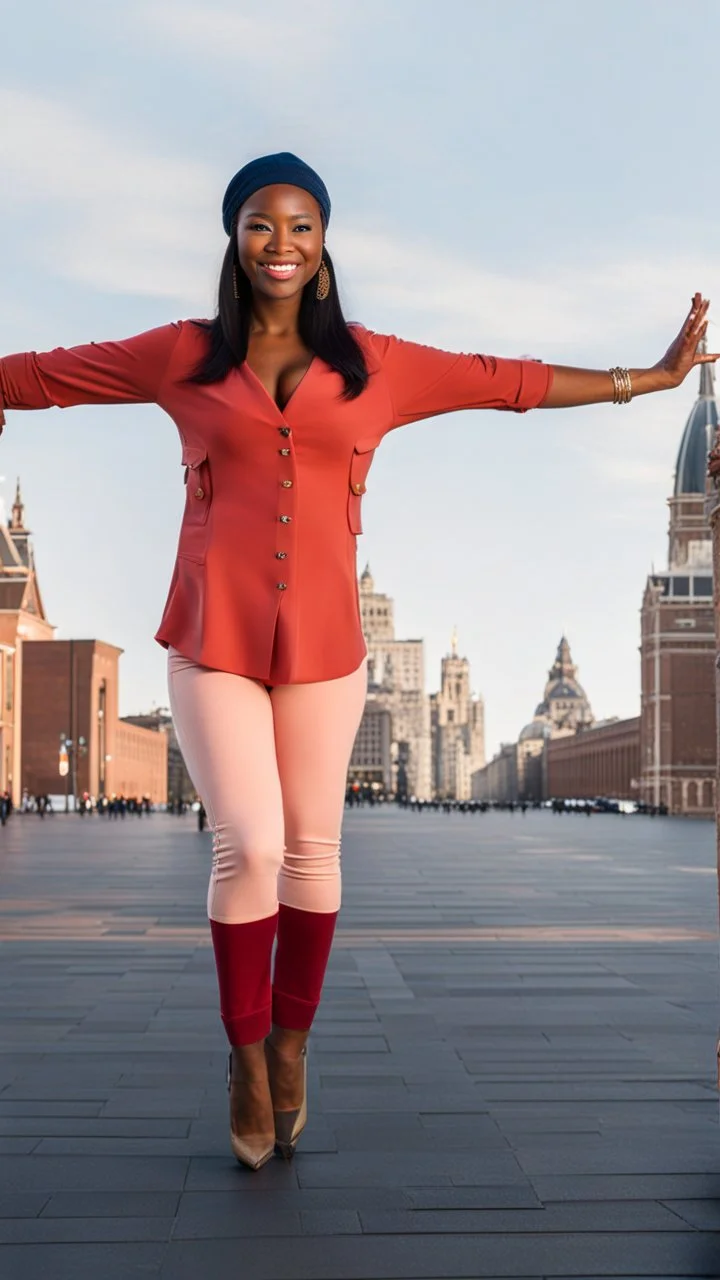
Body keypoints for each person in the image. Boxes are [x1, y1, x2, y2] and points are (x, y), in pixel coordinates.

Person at [0, 151, 715, 1172]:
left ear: (323, 241)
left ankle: (293, 1041)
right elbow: (50, 373)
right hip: (213, 640)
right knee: (247, 845)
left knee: (314, 853)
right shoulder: (180, 355)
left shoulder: (376, 365)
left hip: (329, 650)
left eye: (299, 224)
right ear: (234, 239)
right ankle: (247, 1056)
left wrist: (642, 380)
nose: (279, 243)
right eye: (259, 223)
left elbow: (502, 382)